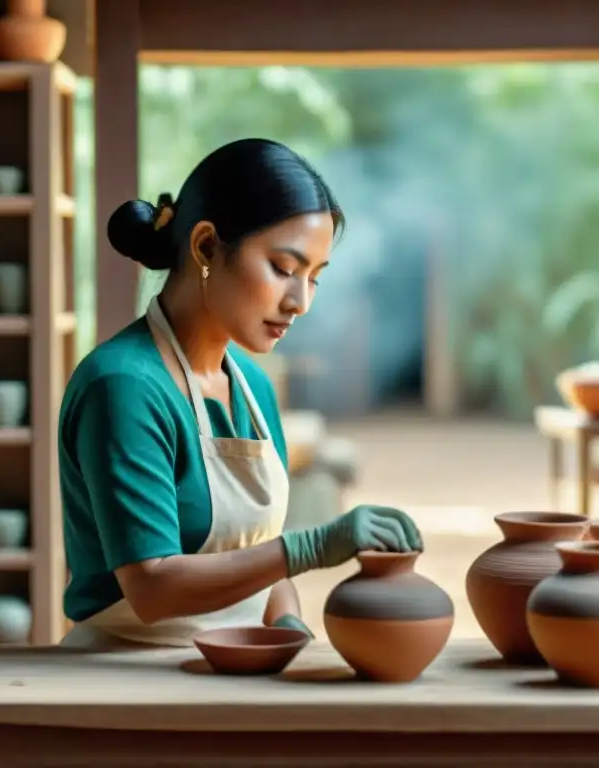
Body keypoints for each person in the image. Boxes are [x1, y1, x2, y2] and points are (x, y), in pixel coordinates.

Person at [57, 138, 423, 648]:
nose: (300, 302)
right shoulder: (122, 387)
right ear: (206, 246)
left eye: (314, 278)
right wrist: (315, 545)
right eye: (284, 269)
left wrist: (289, 627)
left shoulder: (252, 387)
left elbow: (262, 561)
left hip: (234, 669)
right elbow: (152, 590)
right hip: (128, 679)